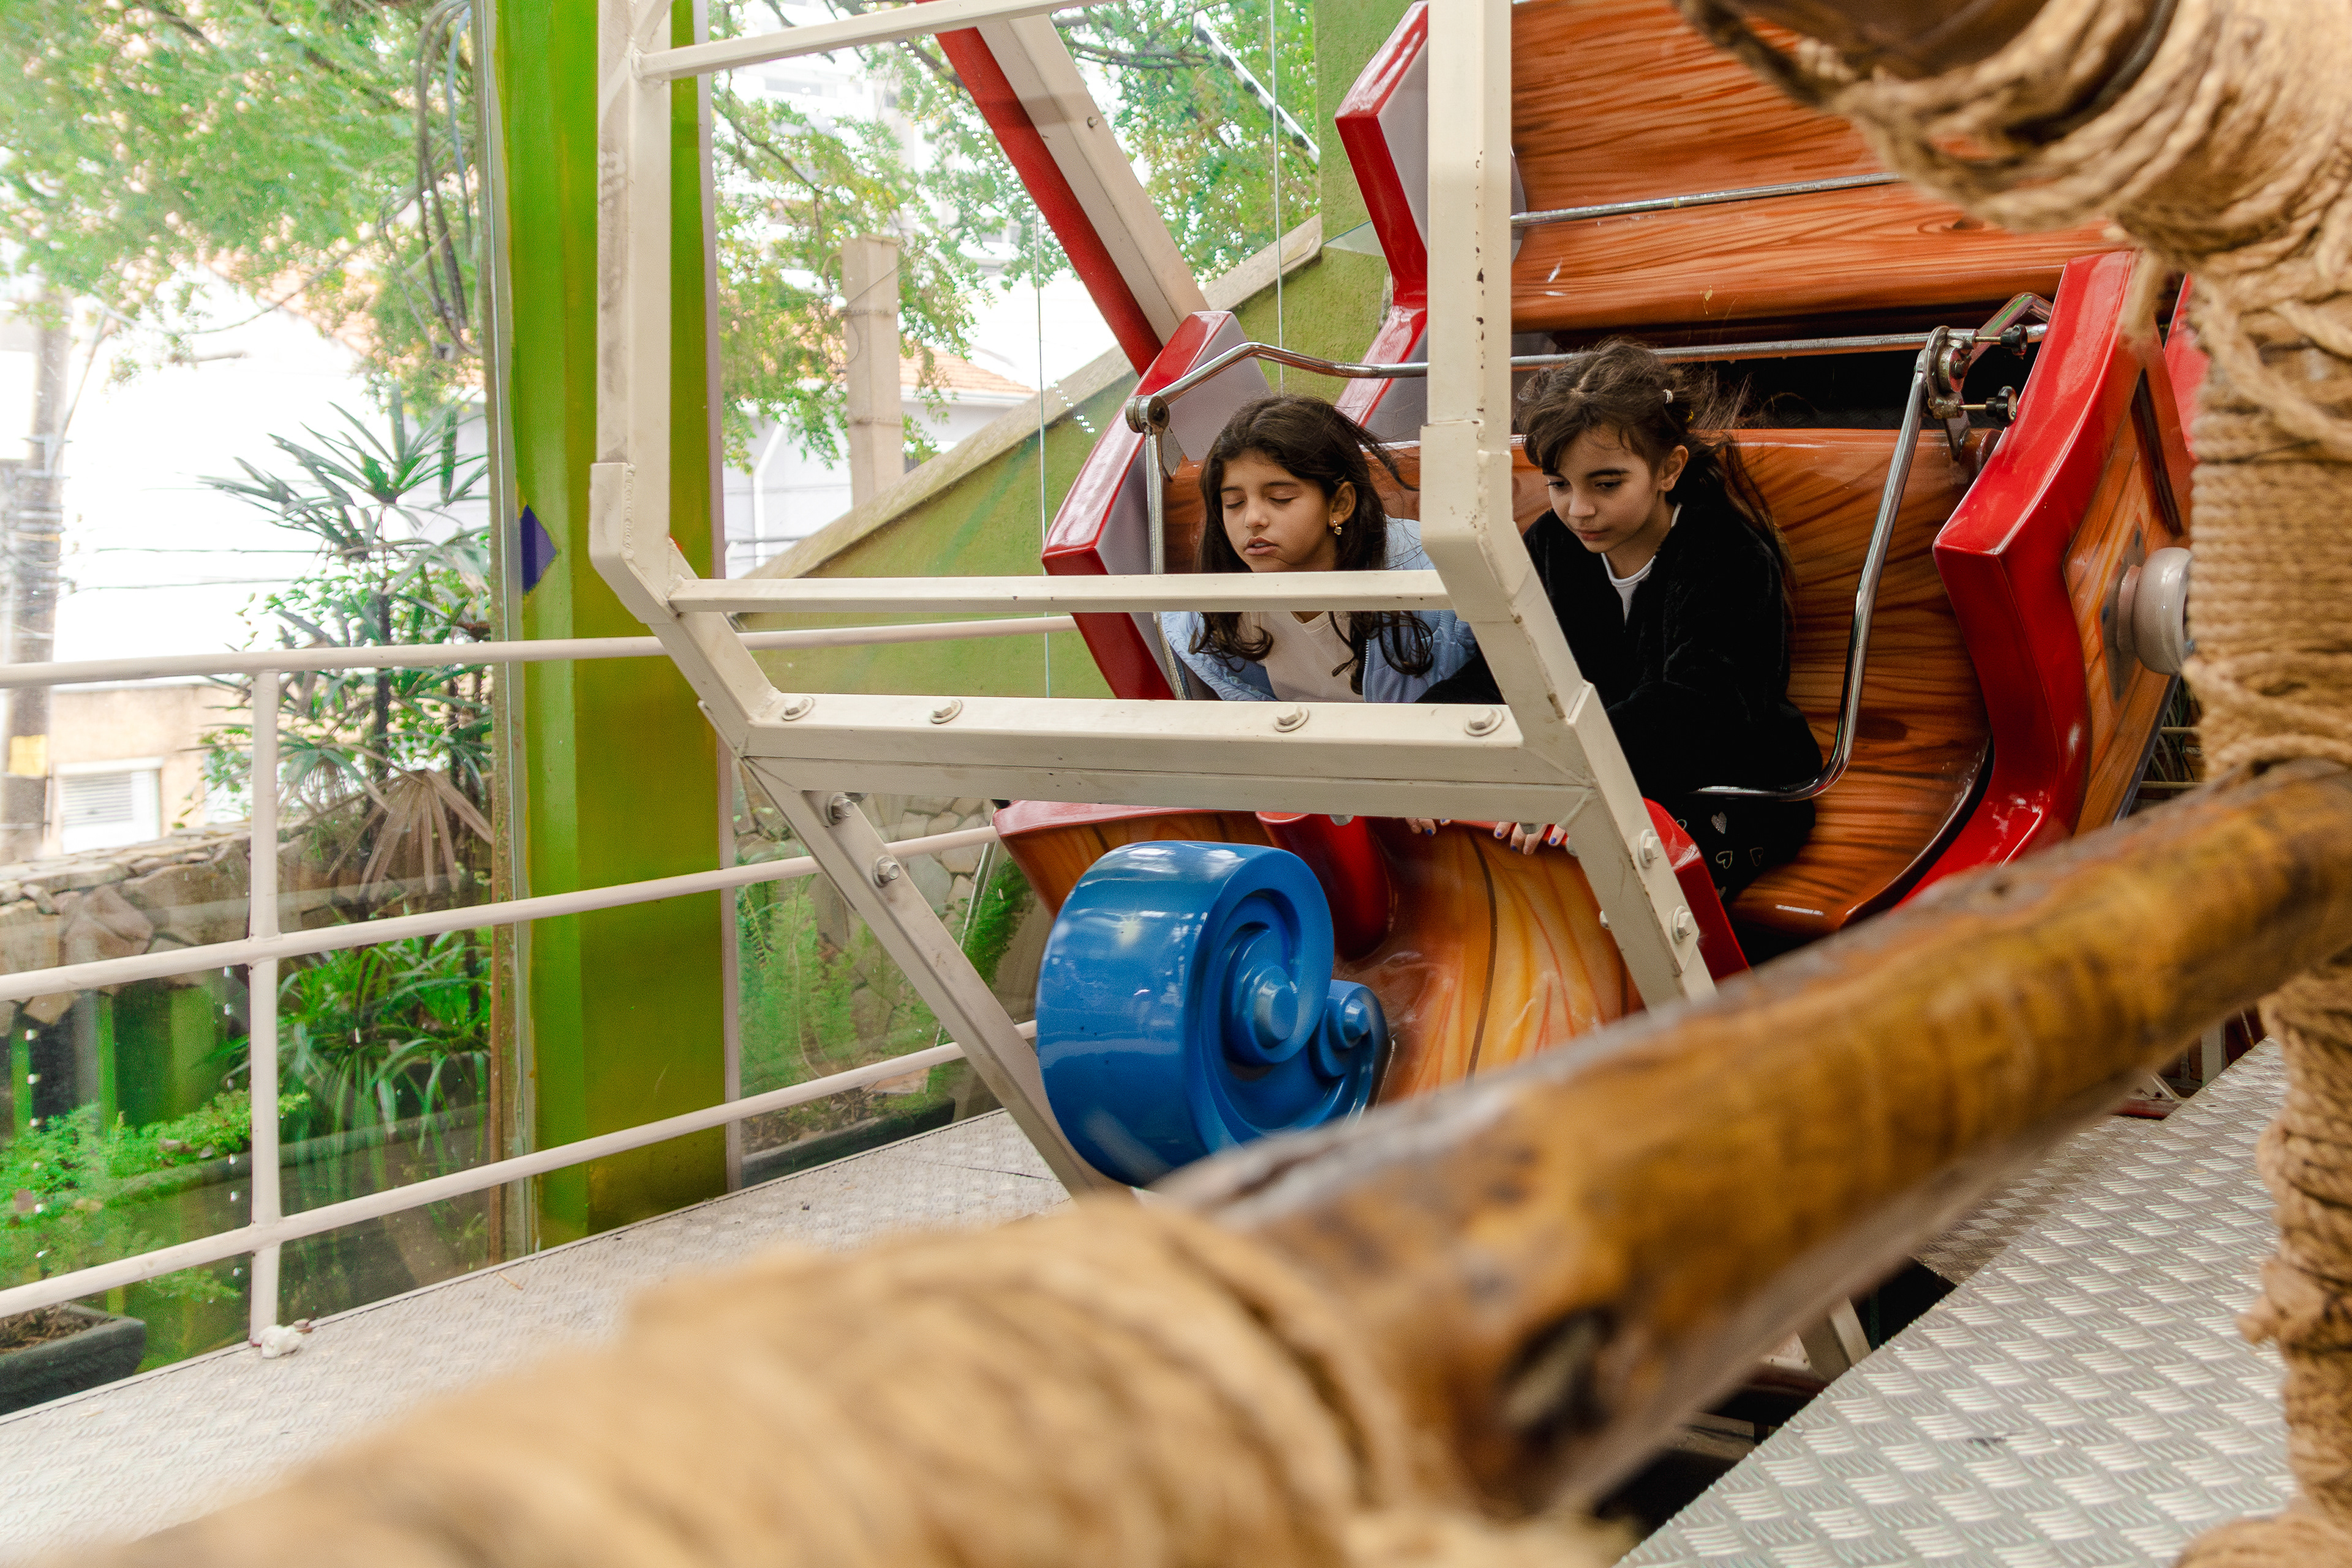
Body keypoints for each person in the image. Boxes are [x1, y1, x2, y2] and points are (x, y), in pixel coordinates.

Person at [1420, 340, 1821, 897]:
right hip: (1592, 771)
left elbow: (1702, 710)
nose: (1578, 509)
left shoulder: (1727, 557)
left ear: (1668, 469)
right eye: (1559, 485)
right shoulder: (1553, 545)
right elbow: (1505, 669)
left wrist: (1563, 784)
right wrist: (1427, 746)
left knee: (1587, 873)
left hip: (1729, 785)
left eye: (1606, 484)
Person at [1160, 395, 1477, 703]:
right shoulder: (1218, 617)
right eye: (1234, 503)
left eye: (1280, 498)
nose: (1252, 519)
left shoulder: (1434, 584)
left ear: (1339, 504)